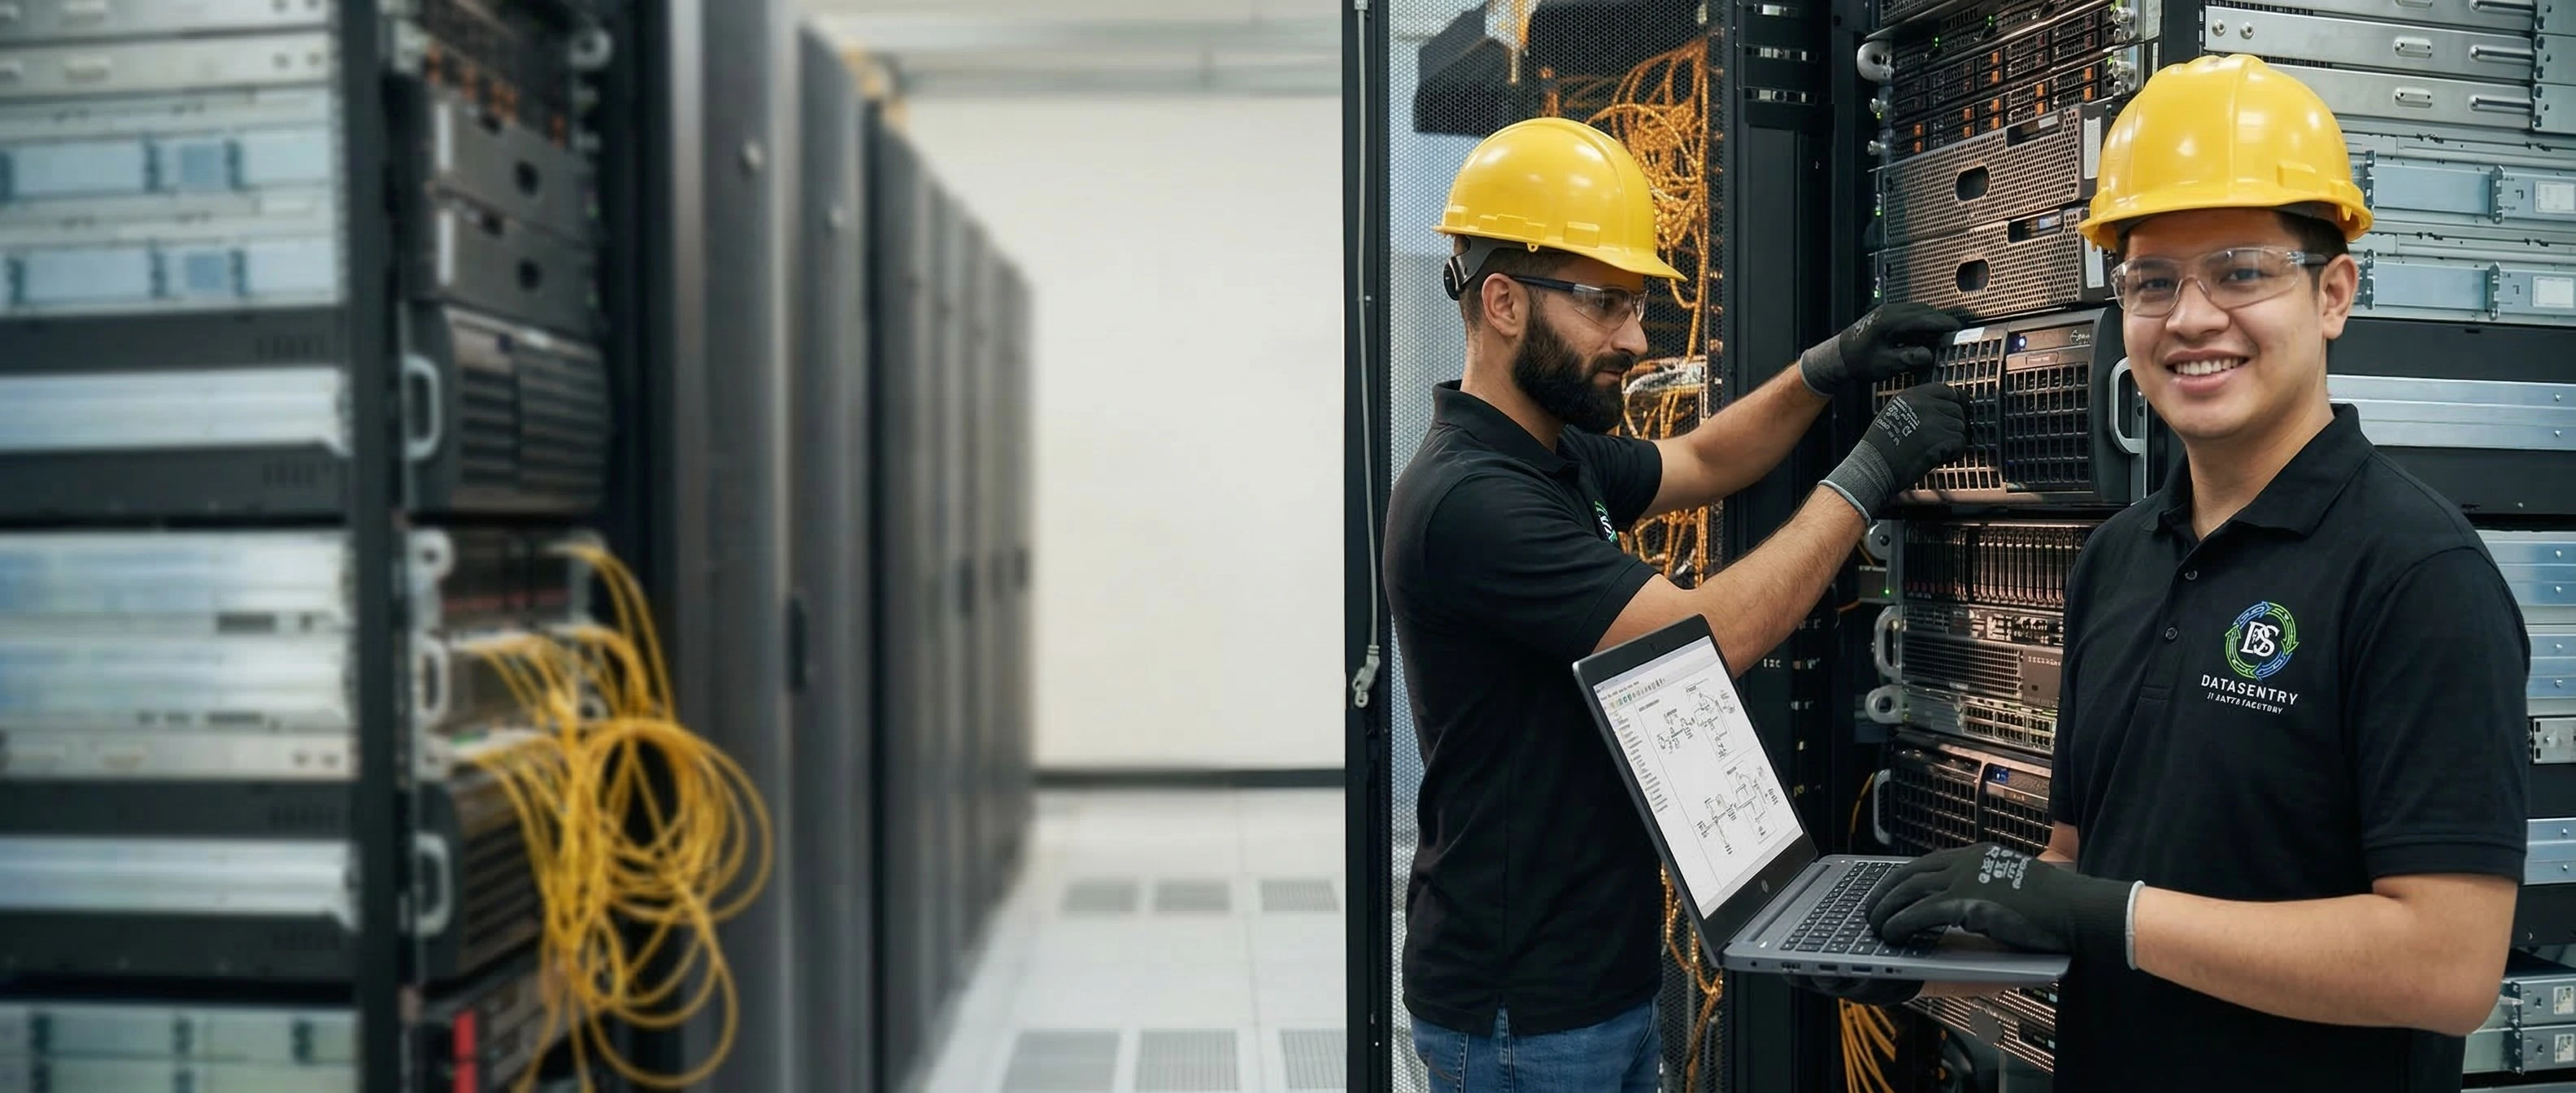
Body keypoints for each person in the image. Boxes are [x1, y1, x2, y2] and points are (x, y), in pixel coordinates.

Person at [1842, 54, 2532, 1091]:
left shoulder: (2419, 575)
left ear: (2333, 293)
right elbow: (2080, 864)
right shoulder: (2117, 557)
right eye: (2152, 283)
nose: (2193, 318)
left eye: (2243, 271)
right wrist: (1939, 949)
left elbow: (2447, 967)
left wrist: (2106, 913)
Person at [1384, 115, 1973, 1091]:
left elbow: (1705, 457)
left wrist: (1830, 366)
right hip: (1520, 1014)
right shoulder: (1473, 501)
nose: (1636, 338)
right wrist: (1872, 470)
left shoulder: (1552, 456)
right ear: (1502, 303)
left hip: (1593, 983)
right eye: (1605, 304)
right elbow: (1705, 639)